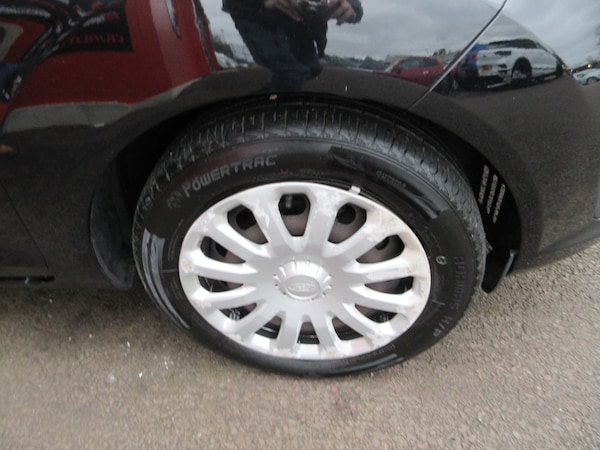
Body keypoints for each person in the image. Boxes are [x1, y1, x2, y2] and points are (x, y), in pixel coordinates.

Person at [223, 0, 363, 91]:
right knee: (290, 74)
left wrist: (349, 6)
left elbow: (356, 9)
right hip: (259, 28)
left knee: (312, 70)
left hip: (303, 36)